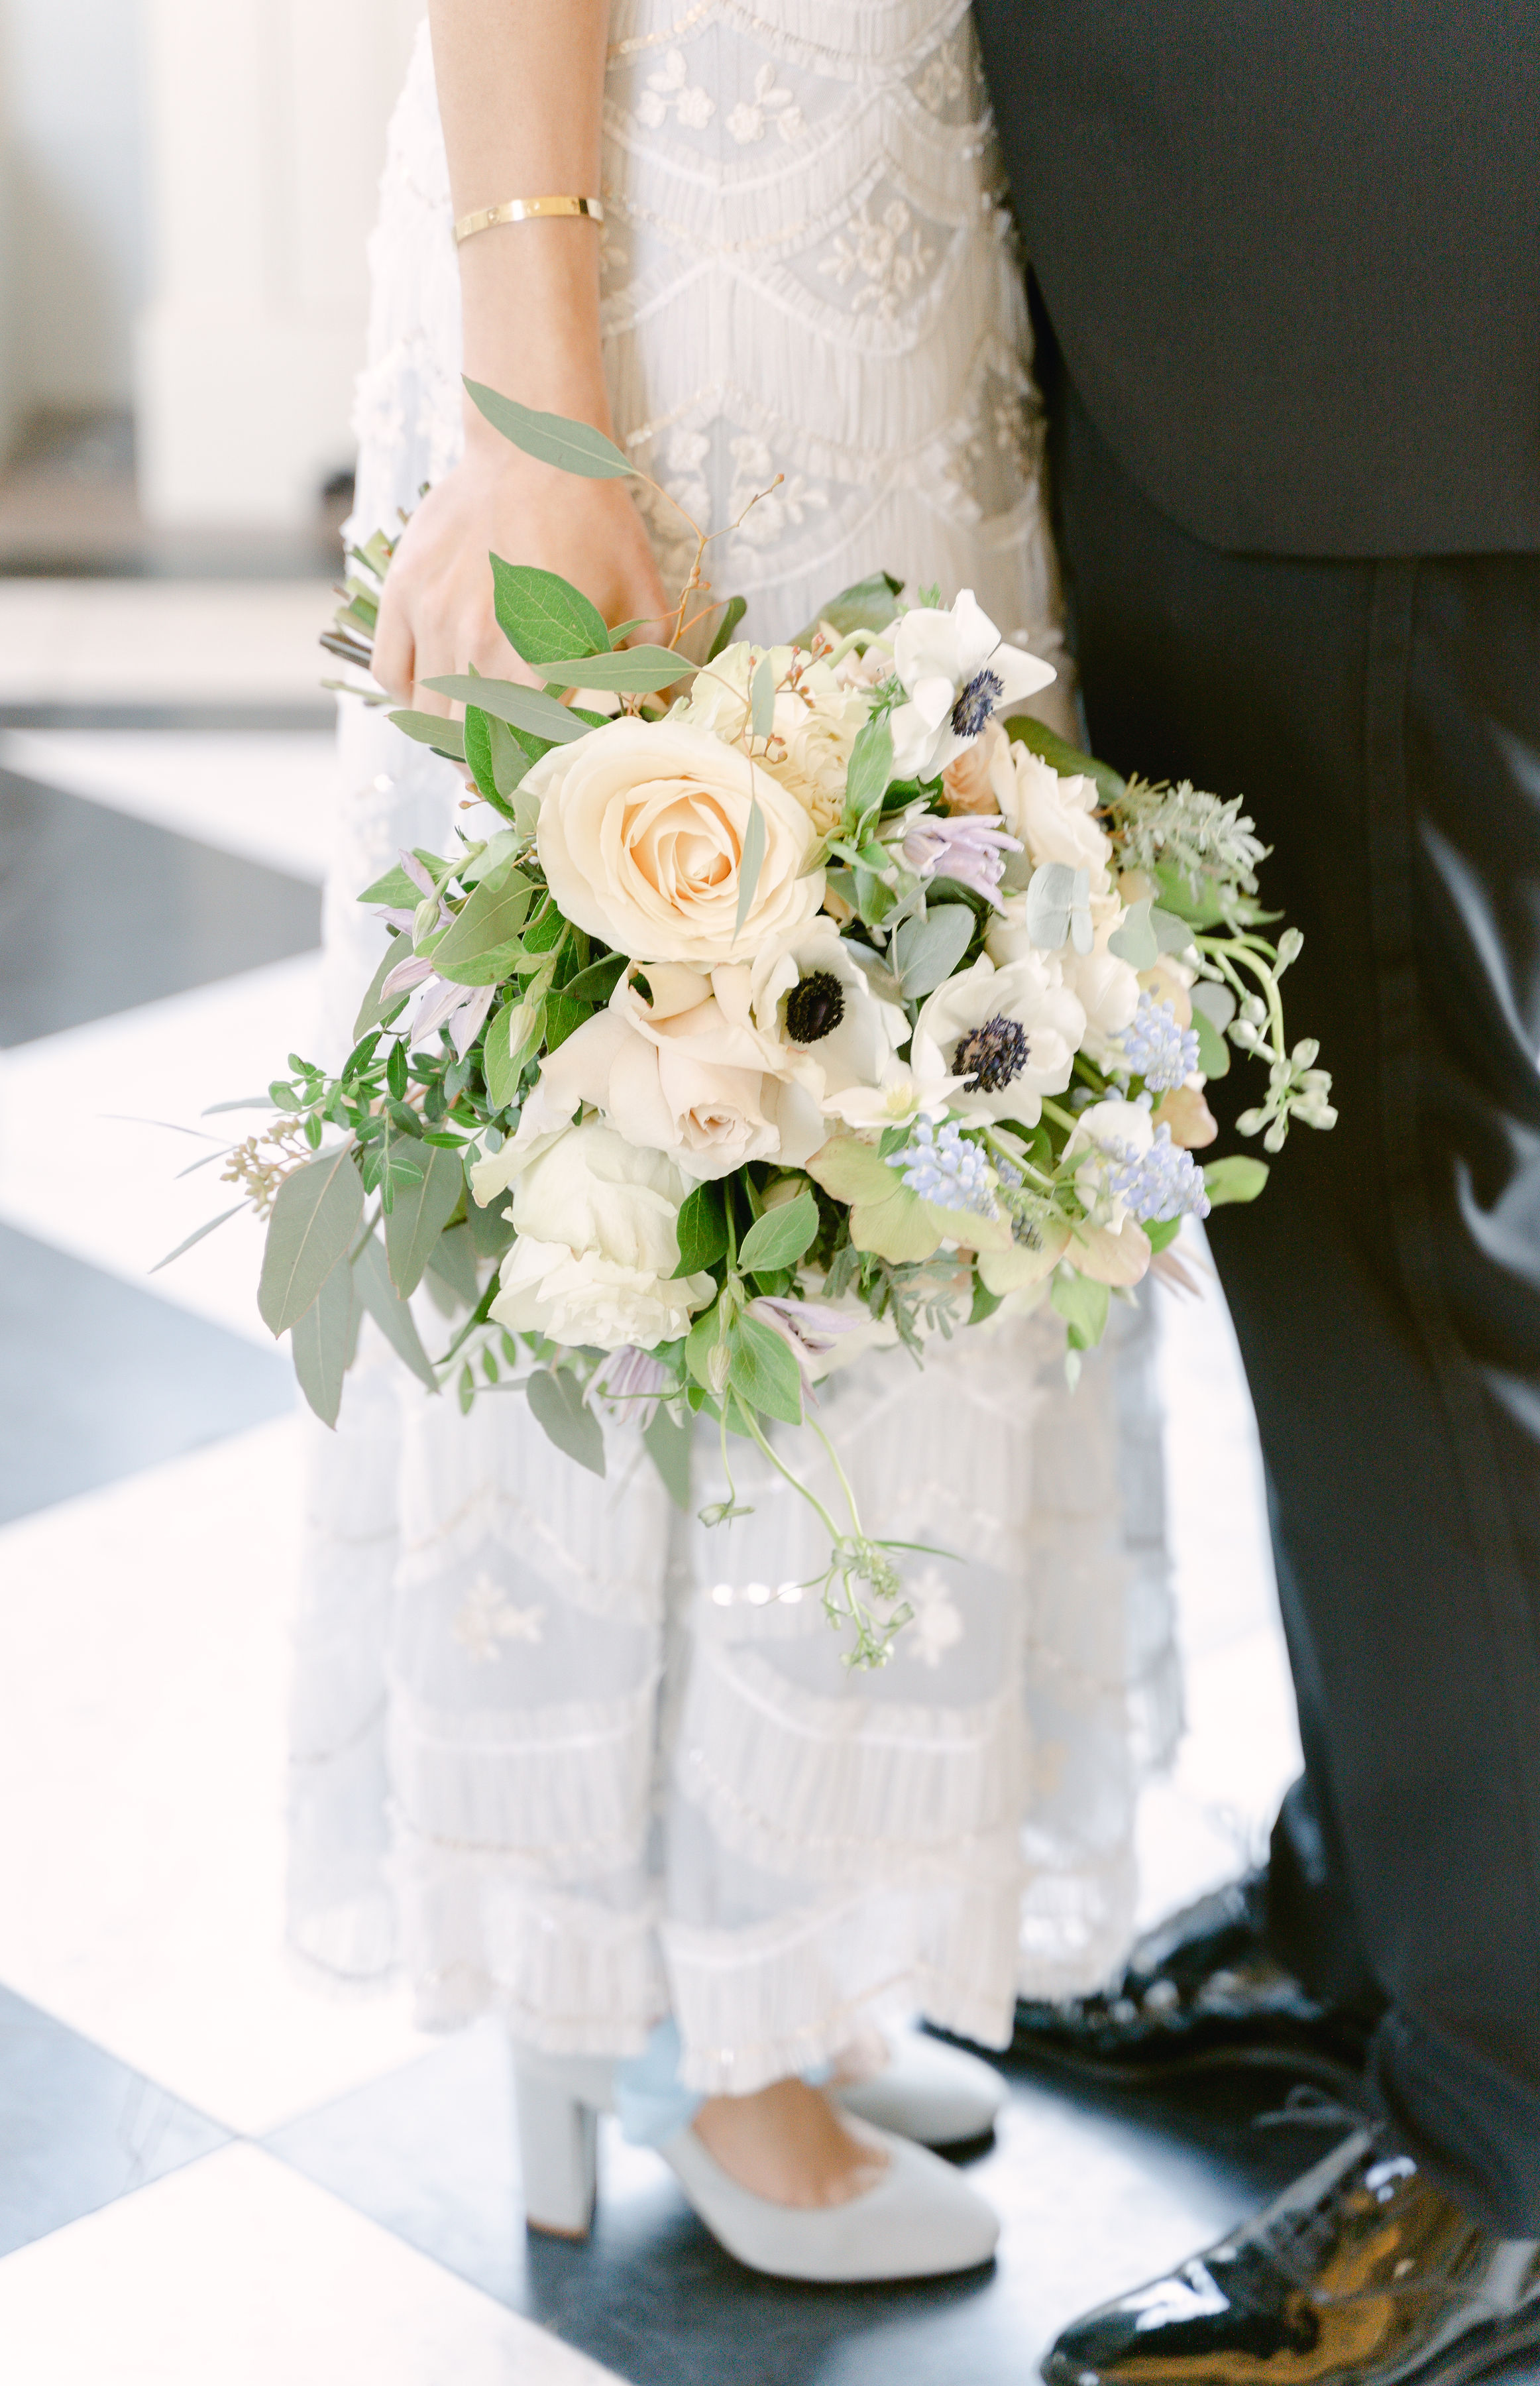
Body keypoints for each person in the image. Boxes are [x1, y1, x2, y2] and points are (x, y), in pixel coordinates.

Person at [288, 0, 1182, 2287]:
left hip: (891, 280)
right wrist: (543, 416)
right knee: (677, 1084)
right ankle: (695, 2019)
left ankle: (766, 1941)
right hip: (673, 279)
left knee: (869, 1094)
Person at [965, 4, 1540, 2377]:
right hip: (1229, 274)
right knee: (1287, 1171)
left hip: (1380, 284)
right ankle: (1382, 1901)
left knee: (1402, 1203)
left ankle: (1528, 2126)